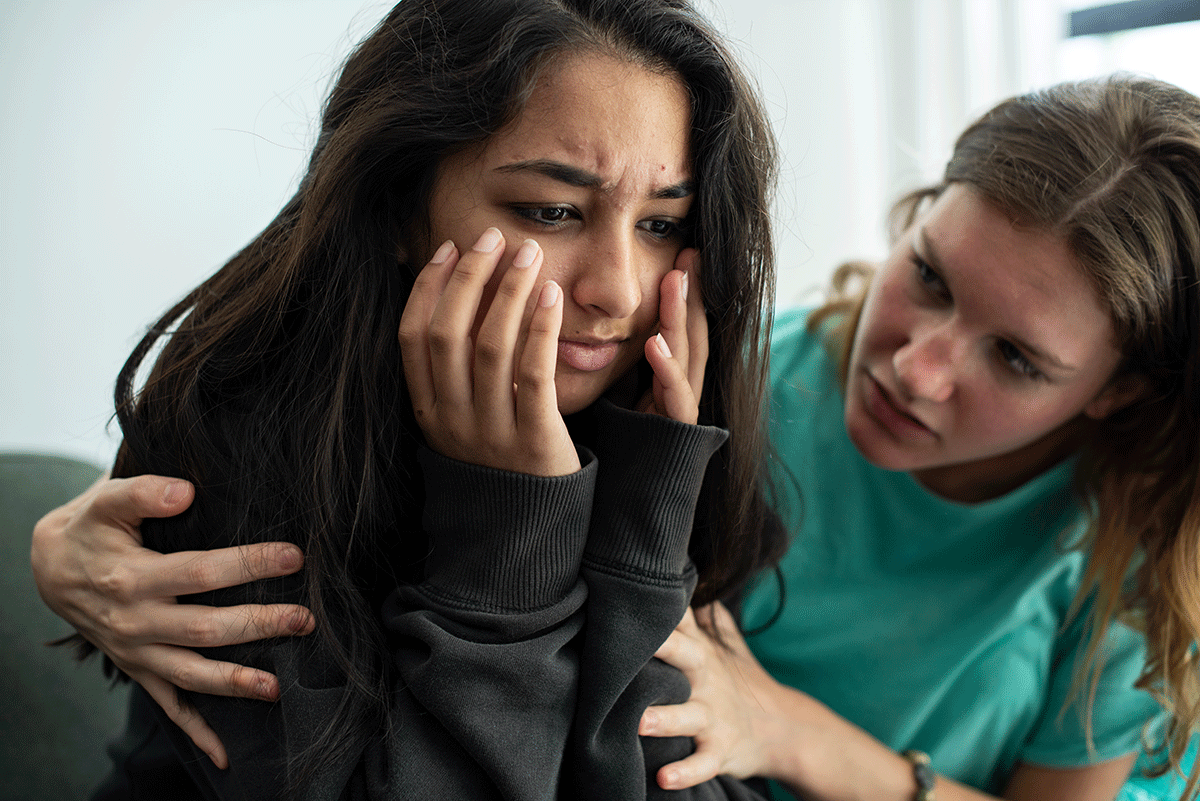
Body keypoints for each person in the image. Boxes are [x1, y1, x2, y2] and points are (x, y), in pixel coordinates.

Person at [29, 0, 788, 798]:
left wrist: (644, 530)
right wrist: (508, 538)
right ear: (398, 204)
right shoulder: (242, 430)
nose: (617, 291)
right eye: (553, 211)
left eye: (661, 224)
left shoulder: (656, 420)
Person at [634, 74, 1200, 801]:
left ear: (1117, 392)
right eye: (930, 275)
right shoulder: (736, 379)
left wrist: (786, 731)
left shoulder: (1134, 555)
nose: (914, 369)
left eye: (1016, 358)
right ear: (916, 215)